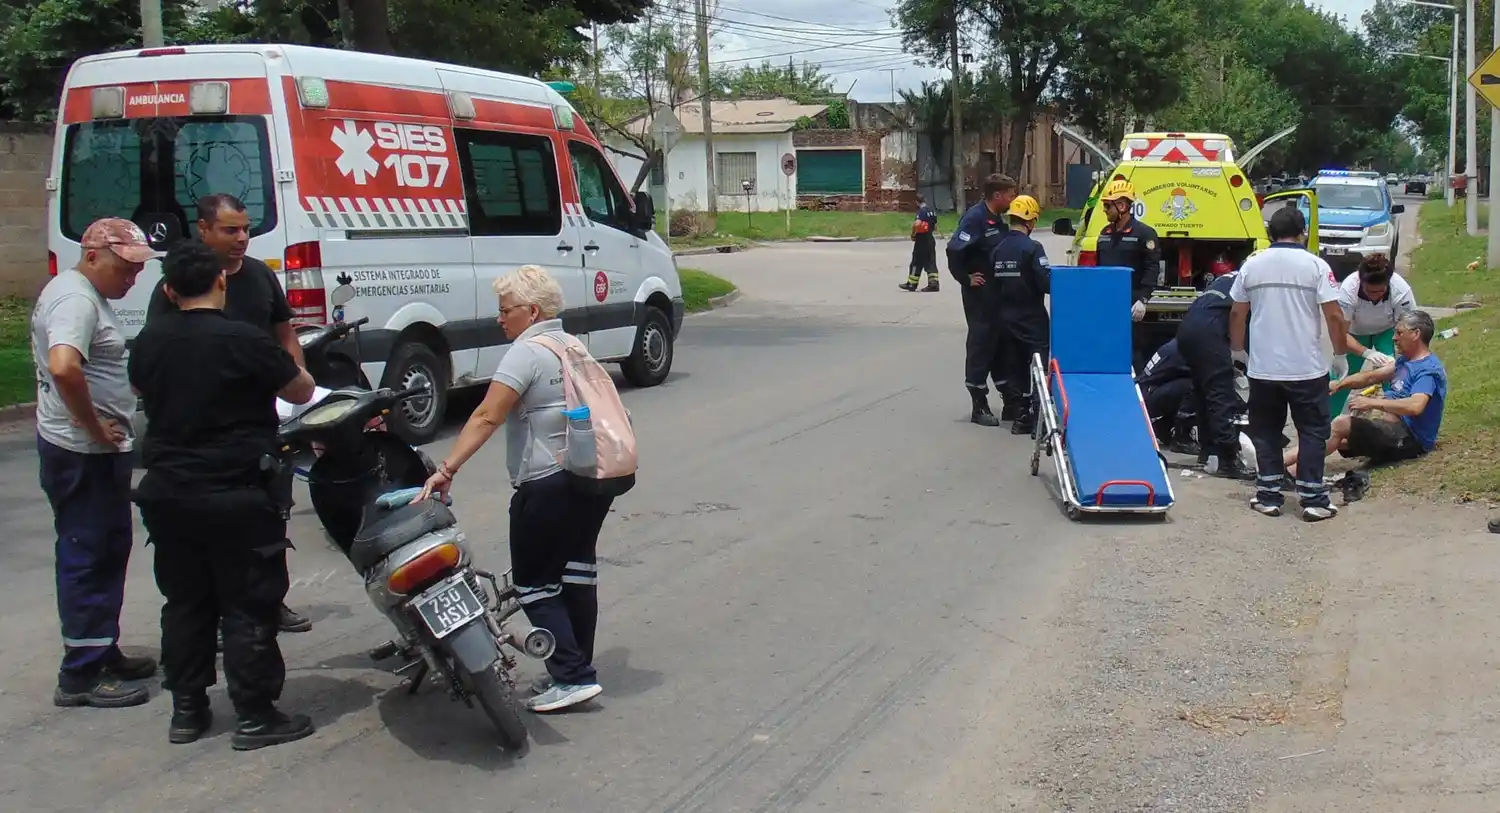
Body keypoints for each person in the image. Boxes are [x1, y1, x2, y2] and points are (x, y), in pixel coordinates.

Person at [129, 240, 319, 749]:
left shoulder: (148, 342)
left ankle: (187, 711)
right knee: (248, 603)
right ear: (222, 282)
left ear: (168, 290)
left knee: (185, 602)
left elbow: (145, 394)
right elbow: (300, 390)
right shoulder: (242, 339)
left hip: (169, 492)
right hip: (235, 490)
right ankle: (255, 715)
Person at [418, 264, 616, 714]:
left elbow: (486, 416)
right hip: (592, 479)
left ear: (530, 311)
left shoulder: (525, 354)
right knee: (576, 574)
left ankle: (573, 675)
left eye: (505, 310)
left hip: (546, 483)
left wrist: (447, 468)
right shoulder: (572, 345)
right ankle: (577, 667)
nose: (499, 318)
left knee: (532, 583)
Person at [146, 193, 313, 636]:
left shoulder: (259, 275)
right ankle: (226, 617)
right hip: (203, 438)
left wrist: (294, 379)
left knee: (273, 511)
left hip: (262, 421)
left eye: (246, 229)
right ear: (204, 230)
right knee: (213, 542)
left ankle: (270, 602)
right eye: (230, 230)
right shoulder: (180, 283)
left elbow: (284, 333)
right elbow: (160, 352)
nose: (242, 239)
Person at [33, 217, 160, 708]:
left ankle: (100, 646)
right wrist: (92, 426)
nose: (131, 278)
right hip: (80, 451)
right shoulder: (76, 300)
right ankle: (81, 674)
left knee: (108, 549)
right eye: (124, 268)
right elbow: (65, 367)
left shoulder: (84, 294)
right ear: (92, 256)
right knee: (87, 553)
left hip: (94, 451)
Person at [1230, 207, 1349, 521]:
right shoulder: (1316, 266)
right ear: (1303, 231)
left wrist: (1238, 352)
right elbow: (1334, 315)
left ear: (1271, 233)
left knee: (1266, 431)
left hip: (1263, 368)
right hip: (1306, 368)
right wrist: (1339, 353)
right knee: (1312, 431)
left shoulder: (1251, 266)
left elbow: (1237, 314)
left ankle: (1268, 495)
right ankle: (1313, 499)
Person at [1288, 310, 1446, 475]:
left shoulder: (1428, 370)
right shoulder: (1406, 361)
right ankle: (1281, 467)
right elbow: (1371, 377)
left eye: (1399, 333)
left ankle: (1286, 470)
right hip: (1393, 431)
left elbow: (1415, 406)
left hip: (1411, 440)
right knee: (1335, 437)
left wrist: (1371, 402)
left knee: (1341, 424)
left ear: (1416, 334)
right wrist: (1339, 385)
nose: (1394, 338)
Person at [947, 174, 1020, 426]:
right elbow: (954, 250)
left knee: (1001, 344)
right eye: (1011, 194)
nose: (1013, 199)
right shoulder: (975, 219)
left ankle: (1010, 400)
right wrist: (966, 278)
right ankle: (979, 404)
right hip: (980, 296)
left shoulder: (997, 219)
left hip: (997, 295)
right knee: (981, 344)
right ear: (997, 195)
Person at [1176, 265, 1250, 478]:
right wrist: (1240, 354)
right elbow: (1242, 317)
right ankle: (1228, 459)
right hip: (1210, 332)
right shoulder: (1255, 279)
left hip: (1188, 329)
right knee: (1221, 395)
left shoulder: (1229, 277)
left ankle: (1209, 451)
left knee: (1203, 392)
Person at [987, 195, 1052, 435]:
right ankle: (1039, 416)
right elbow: (1046, 282)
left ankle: (1021, 414)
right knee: (1038, 365)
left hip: (1005, 319)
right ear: (1030, 221)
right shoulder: (1033, 248)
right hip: (1031, 318)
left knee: (1015, 367)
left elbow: (992, 285)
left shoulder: (998, 249)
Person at [1330, 254, 1417, 416]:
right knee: (1339, 380)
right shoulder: (1348, 289)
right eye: (1370, 291)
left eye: (1380, 291)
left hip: (1387, 331)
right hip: (1354, 334)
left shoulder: (1401, 291)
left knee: (1394, 375)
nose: (1375, 295)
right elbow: (1340, 332)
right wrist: (1366, 352)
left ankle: (1396, 421)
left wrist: (1399, 357)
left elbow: (1409, 329)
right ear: (1361, 282)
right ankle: (1325, 427)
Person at [1093, 180, 1163, 370]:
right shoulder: (1105, 234)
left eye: (1108, 205)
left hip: (1131, 303)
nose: (1105, 210)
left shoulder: (1144, 234)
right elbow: (1099, 268)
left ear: (1122, 206)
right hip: (1108, 302)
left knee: (1134, 351)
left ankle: (1138, 389)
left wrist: (1143, 299)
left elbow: (1151, 268)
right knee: (1107, 348)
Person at [1137, 338, 1199, 455]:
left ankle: (1163, 427)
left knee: (1193, 385)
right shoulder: (1188, 348)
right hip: (1146, 398)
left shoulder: (1182, 342)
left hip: (1147, 393)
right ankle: (1182, 439)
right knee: (1197, 386)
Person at [899, 194, 941, 292]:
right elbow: (935, 227)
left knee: (916, 262)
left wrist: (913, 234)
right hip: (930, 240)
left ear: (917, 202)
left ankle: (912, 284)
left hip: (921, 241)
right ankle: (934, 284)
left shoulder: (921, 211)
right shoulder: (932, 211)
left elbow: (917, 224)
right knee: (931, 262)